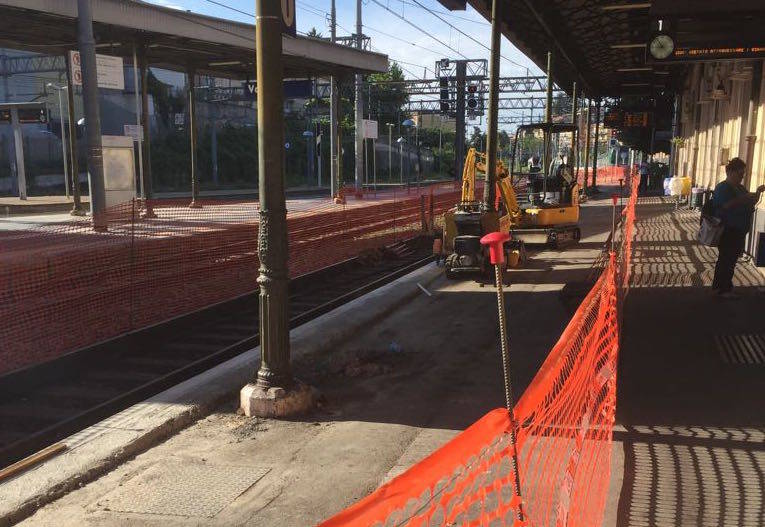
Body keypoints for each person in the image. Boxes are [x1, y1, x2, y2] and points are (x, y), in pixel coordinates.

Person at [711, 157, 765, 298]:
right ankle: (724, 289)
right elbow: (723, 206)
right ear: (730, 172)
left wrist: (757, 193)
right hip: (728, 228)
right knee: (727, 258)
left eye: (743, 174)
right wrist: (742, 199)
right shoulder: (723, 188)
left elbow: (749, 202)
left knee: (730, 258)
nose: (741, 177)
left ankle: (720, 286)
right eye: (739, 174)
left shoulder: (740, 188)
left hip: (739, 229)